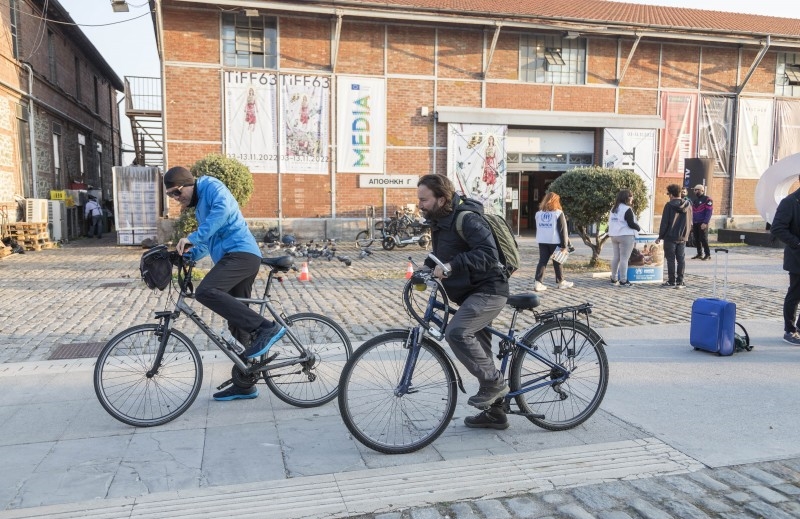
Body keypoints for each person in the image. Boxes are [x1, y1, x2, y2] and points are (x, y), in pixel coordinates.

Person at [164, 166, 286, 400]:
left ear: (187, 183)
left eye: (176, 193)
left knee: (206, 291)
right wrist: (187, 254)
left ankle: (266, 327)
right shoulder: (200, 209)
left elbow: (222, 212)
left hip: (241, 254)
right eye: (171, 196)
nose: (176, 200)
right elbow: (207, 241)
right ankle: (245, 383)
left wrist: (193, 237)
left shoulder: (211, 186)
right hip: (231, 258)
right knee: (237, 324)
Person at [417, 174, 511, 430]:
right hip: (469, 292)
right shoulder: (439, 220)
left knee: (457, 332)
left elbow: (488, 255)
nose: (420, 205)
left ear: (442, 198)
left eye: (424, 200)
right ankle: (496, 414)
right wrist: (425, 267)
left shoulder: (467, 218)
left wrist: (450, 267)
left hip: (489, 290)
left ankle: (495, 383)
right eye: (419, 199)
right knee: (479, 354)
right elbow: (443, 252)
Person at [768, 176, 800, 345]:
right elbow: (777, 228)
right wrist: (797, 242)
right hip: (797, 257)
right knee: (795, 294)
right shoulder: (790, 202)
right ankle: (790, 330)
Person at [533, 192, 573, 291]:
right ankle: (561, 282)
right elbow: (563, 230)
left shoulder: (538, 214)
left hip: (542, 240)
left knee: (542, 261)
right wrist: (564, 245)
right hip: (555, 240)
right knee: (558, 261)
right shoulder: (558, 213)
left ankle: (538, 283)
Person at [655, 184, 692, 288]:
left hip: (670, 236)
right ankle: (680, 280)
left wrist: (660, 236)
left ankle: (671, 280)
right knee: (681, 259)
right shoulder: (688, 205)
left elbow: (665, 222)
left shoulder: (669, 205)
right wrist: (687, 234)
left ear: (671, 194)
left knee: (671, 259)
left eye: (668, 194)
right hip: (683, 236)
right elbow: (690, 222)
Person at [608, 189, 641, 287]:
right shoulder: (627, 209)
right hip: (625, 235)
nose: (632, 198)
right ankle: (623, 280)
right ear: (627, 198)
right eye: (631, 196)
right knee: (624, 258)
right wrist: (638, 227)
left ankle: (613, 278)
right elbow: (631, 223)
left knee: (616, 257)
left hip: (614, 235)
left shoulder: (613, 209)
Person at [691, 184, 713, 260]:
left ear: (702, 190)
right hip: (695, 222)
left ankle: (708, 254)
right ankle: (699, 253)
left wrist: (705, 222)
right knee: (696, 238)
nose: (695, 191)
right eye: (694, 190)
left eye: (696, 189)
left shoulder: (707, 199)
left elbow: (709, 212)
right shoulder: (695, 200)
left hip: (702, 222)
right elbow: (693, 212)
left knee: (703, 239)